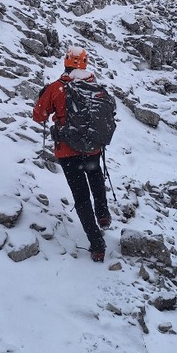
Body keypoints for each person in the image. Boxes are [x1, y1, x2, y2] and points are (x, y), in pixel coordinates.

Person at [33, 46, 111, 262]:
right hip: (93, 147)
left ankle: (97, 245)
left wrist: (43, 98)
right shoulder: (95, 87)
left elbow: (38, 116)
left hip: (68, 152)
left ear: (66, 62)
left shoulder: (56, 88)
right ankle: (103, 215)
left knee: (81, 197)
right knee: (95, 178)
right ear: (84, 63)